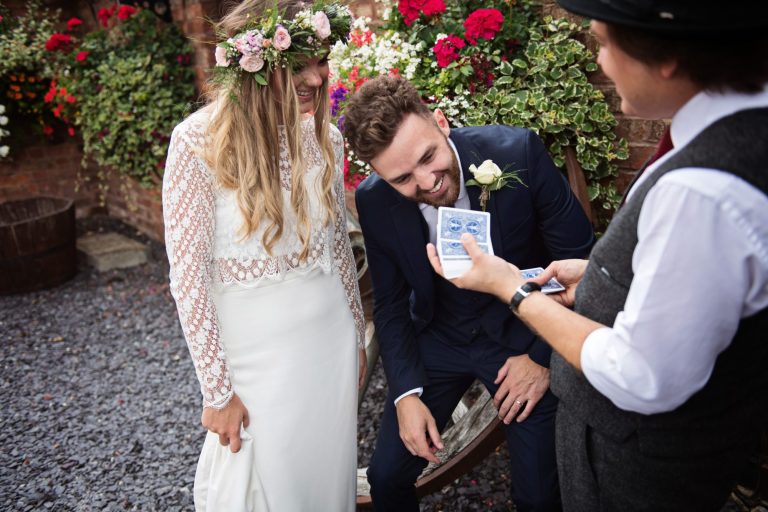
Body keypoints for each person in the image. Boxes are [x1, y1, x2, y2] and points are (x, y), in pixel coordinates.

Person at [426, 1, 768, 511]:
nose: (600, 62)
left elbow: (642, 375)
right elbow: (701, 284)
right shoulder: (738, 132)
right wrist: (598, 279)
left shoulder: (700, 192)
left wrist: (511, 289)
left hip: (637, 468)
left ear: (667, 56)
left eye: (605, 43)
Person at [343, 75, 595, 511]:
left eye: (429, 157)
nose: (428, 182)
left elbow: (582, 261)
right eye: (403, 178)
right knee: (386, 478)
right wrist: (405, 395)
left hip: (525, 336)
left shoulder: (518, 153)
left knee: (538, 497)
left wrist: (541, 359)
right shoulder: (374, 200)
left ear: (440, 122)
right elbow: (390, 305)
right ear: (379, 175)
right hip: (442, 338)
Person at [162, 1, 366, 510]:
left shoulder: (326, 139)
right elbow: (188, 278)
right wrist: (217, 392)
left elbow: (338, 246)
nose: (317, 79)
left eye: (322, 62)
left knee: (326, 486)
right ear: (253, 64)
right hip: (255, 359)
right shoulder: (196, 142)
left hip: (331, 345)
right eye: (300, 65)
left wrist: (358, 337)